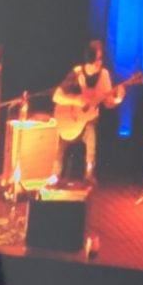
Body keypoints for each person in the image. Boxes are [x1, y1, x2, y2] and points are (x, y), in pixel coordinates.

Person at [52, 40, 124, 183]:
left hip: (89, 119)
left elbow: (107, 103)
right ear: (88, 59)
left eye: (101, 59)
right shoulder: (77, 73)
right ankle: (54, 175)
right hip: (69, 118)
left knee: (92, 137)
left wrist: (117, 100)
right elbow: (57, 96)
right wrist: (75, 101)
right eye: (96, 59)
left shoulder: (104, 75)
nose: (99, 63)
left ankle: (89, 174)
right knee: (60, 146)